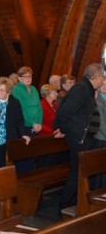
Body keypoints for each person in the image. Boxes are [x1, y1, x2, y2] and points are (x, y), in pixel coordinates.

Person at [54, 63, 106, 209]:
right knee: (77, 171)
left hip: (85, 138)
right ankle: (66, 204)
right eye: (103, 76)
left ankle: (74, 201)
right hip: (79, 139)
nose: (104, 79)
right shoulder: (82, 90)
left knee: (81, 171)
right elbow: (63, 113)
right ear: (96, 76)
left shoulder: (87, 89)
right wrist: (72, 132)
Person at [12, 66, 42, 136]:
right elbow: (21, 109)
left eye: (30, 76)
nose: (28, 78)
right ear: (19, 78)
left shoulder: (33, 88)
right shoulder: (16, 89)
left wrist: (39, 123)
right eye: (25, 76)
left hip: (36, 126)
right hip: (24, 126)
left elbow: (39, 107)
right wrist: (33, 123)